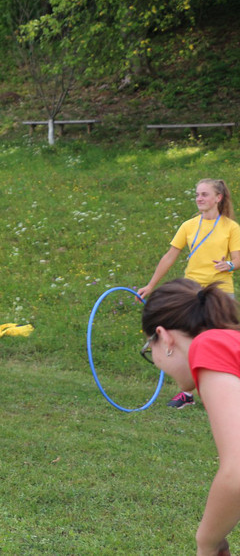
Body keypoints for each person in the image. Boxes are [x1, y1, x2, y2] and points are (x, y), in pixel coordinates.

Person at [141, 279, 240, 556]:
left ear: (164, 336)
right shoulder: (230, 344)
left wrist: (206, 542)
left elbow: (237, 471)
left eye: (149, 348)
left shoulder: (210, 346)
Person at [138, 179, 240, 409]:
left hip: (219, 293)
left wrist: (229, 265)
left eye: (204, 194)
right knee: (187, 339)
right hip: (191, 292)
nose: (199, 198)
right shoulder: (189, 225)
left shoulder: (231, 227)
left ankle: (226, 389)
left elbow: (238, 259)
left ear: (218, 198)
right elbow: (169, 256)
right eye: (197, 194)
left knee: (222, 341)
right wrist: (151, 285)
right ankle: (186, 393)